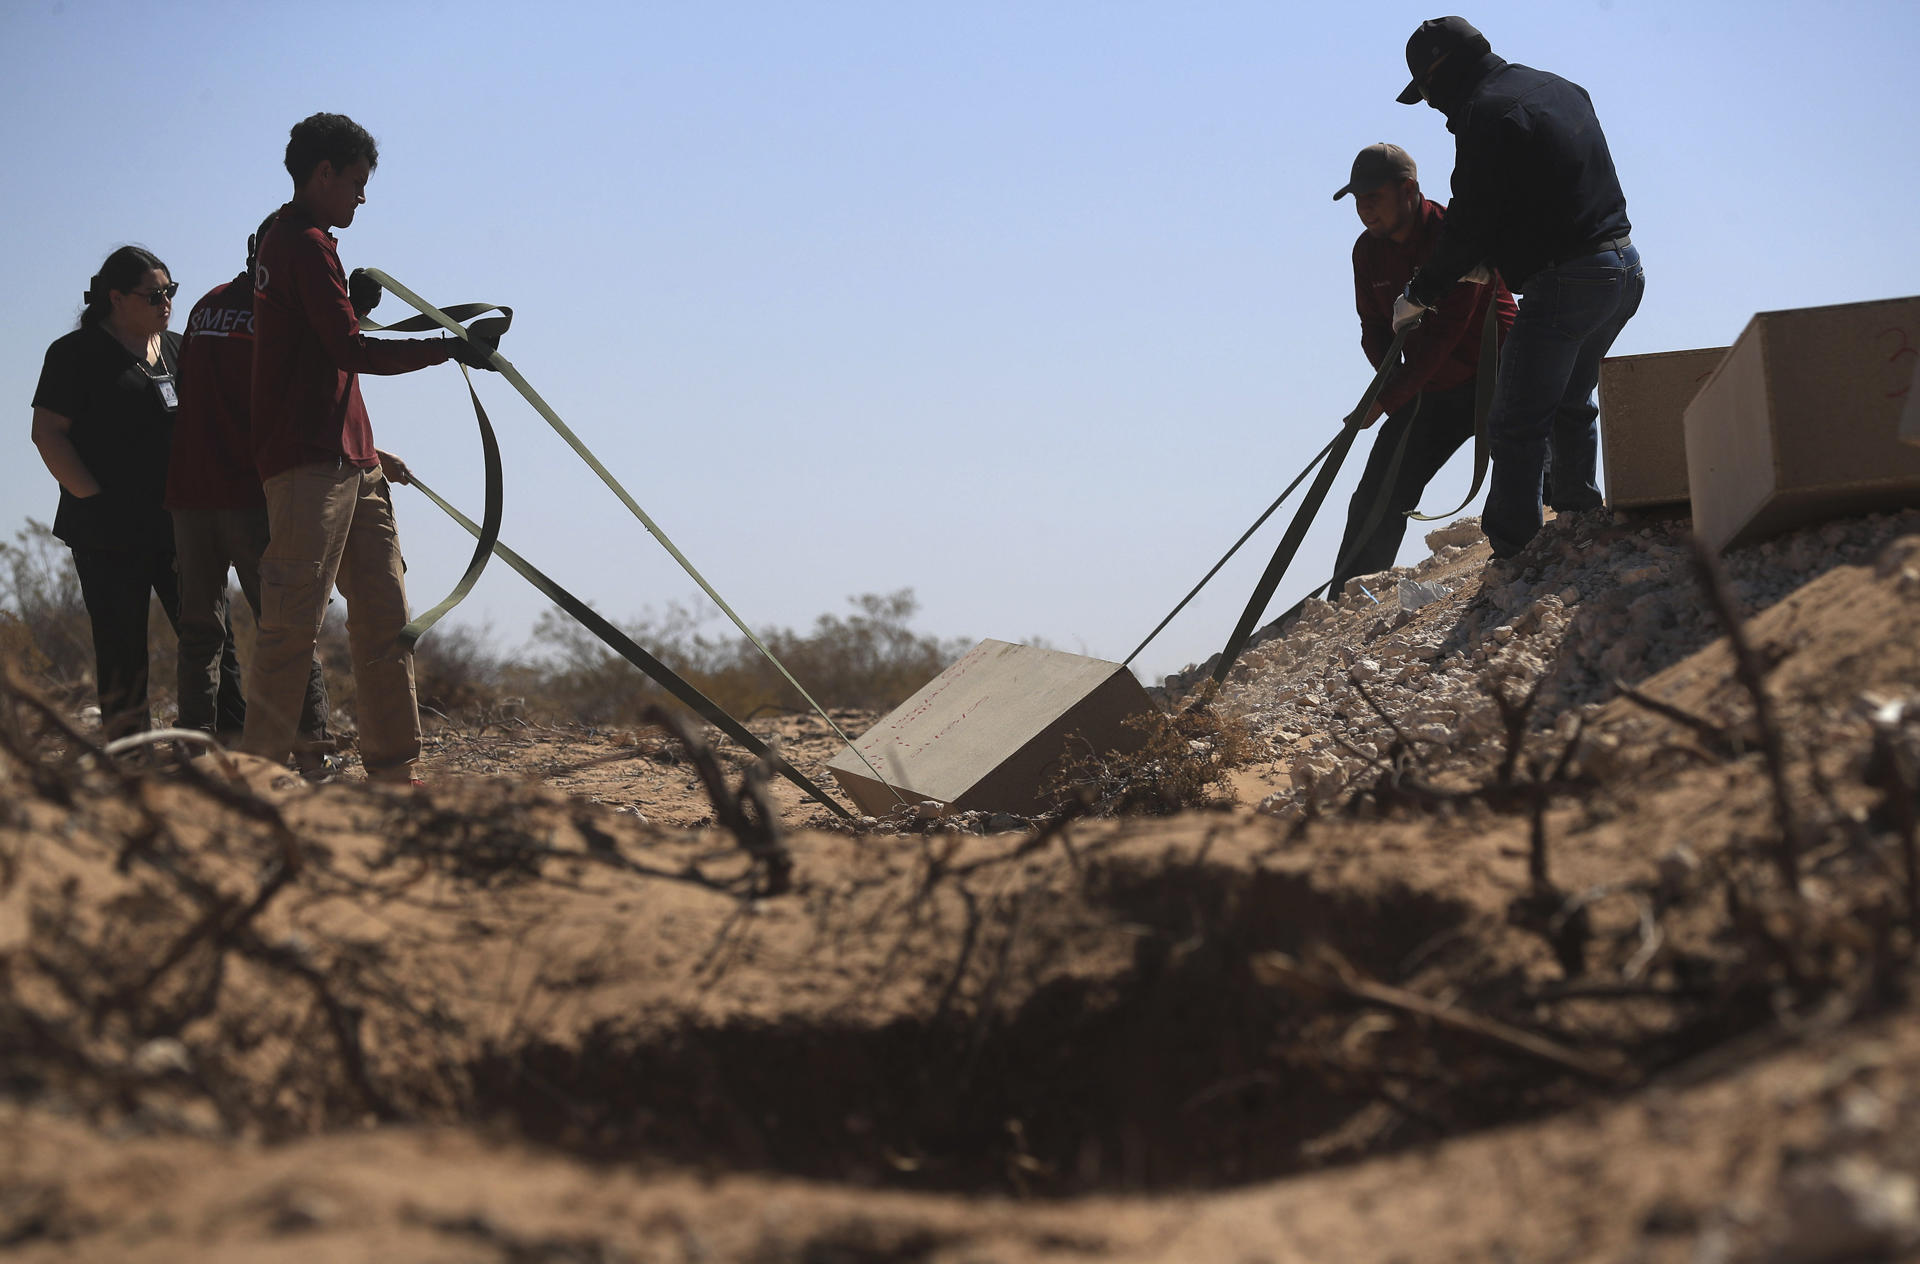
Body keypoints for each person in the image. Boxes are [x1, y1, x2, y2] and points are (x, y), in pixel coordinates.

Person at [240, 112, 495, 784]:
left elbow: (324, 338)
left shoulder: (305, 243)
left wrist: (347, 301)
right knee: (292, 624)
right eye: (354, 182)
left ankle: (392, 772)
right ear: (322, 174)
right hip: (306, 462)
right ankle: (254, 785)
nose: (361, 196)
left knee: (386, 618)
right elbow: (347, 348)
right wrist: (451, 348)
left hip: (354, 460)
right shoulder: (297, 243)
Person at [1389, 16, 1644, 559]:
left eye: (1429, 94)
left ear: (1441, 75)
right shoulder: (1558, 87)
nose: (1434, 109)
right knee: (1572, 399)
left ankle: (1516, 552)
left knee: (1514, 421)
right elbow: (1548, 192)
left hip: (1568, 281)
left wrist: (1423, 291)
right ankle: (1578, 514)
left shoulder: (1486, 114)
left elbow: (1469, 220)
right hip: (1622, 270)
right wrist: (1498, 261)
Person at [29, 246, 237, 738]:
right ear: (116, 298)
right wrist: (94, 499)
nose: (166, 302)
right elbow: (47, 433)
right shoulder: (73, 354)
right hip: (106, 530)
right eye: (154, 294)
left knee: (211, 637)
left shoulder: (179, 348)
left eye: (171, 292)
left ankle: (228, 743)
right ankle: (131, 759)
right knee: (122, 647)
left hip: (181, 524)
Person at [167, 213, 334, 758]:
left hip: (191, 493)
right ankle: (311, 748)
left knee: (199, 631)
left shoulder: (204, 306)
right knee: (287, 627)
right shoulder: (284, 316)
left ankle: (194, 748)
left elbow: (188, 387)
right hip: (255, 495)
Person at [1328, 142, 1515, 596]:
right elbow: (1373, 328)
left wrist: (1387, 399)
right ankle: (1353, 596)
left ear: (1408, 189)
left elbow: (1443, 337)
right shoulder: (1365, 252)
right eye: (1358, 199)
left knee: (1530, 465)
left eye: (1373, 196)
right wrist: (1387, 386)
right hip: (1431, 387)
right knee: (1378, 491)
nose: (1364, 209)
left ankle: (1543, 546)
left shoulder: (1455, 235)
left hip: (1503, 371)